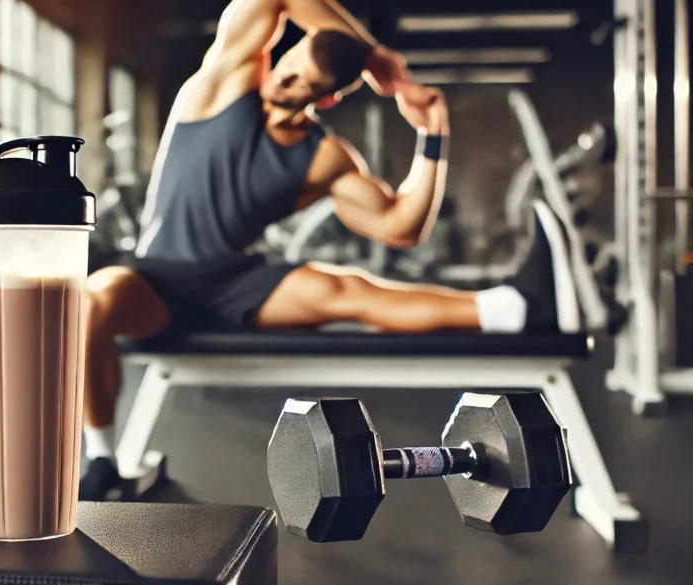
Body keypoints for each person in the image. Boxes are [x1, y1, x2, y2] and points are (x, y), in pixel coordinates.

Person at [79, 0, 579, 500]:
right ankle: (102, 461)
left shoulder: (324, 157)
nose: (284, 81)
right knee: (93, 300)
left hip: (237, 283)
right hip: (158, 277)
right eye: (288, 65)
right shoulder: (220, 88)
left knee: (349, 289)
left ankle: (512, 307)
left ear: (328, 99)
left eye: (304, 83)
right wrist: (377, 56)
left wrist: (432, 131)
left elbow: (401, 227)